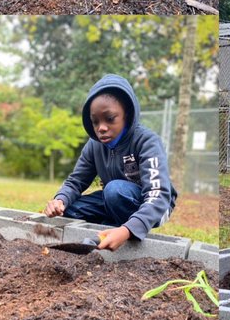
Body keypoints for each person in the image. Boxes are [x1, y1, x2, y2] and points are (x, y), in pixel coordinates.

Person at [42, 74, 177, 250]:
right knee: (69, 208)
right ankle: (112, 223)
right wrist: (60, 200)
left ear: (126, 114)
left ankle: (129, 227)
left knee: (114, 190)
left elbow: (158, 193)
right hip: (114, 199)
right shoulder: (94, 145)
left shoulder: (146, 141)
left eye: (110, 118)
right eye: (95, 121)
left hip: (153, 205)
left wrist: (128, 229)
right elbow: (76, 181)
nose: (101, 128)